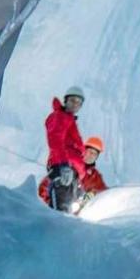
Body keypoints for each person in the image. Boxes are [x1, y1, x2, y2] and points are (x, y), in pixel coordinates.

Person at [43, 85, 87, 214]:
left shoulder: (69, 120)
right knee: (61, 213)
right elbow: (55, 139)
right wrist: (63, 165)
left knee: (70, 212)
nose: (75, 104)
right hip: (63, 170)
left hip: (72, 174)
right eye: (73, 100)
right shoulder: (59, 116)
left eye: (79, 103)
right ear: (66, 100)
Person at [38, 136, 108, 211]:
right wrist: (48, 203)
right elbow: (45, 187)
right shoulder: (70, 164)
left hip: (77, 211)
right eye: (90, 152)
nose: (92, 156)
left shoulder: (93, 175)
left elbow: (103, 192)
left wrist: (89, 196)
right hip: (56, 207)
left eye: (95, 154)